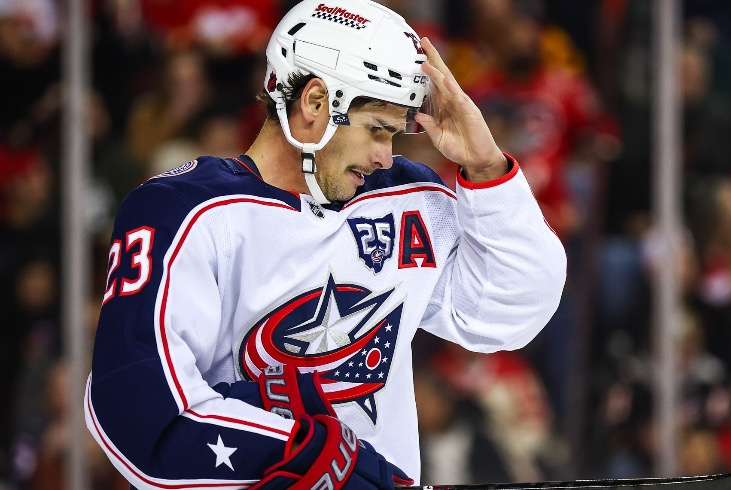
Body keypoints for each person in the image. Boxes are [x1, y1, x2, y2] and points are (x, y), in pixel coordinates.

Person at [83, 1, 567, 489]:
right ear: (315, 102)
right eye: (377, 130)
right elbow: (140, 414)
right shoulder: (181, 211)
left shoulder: (402, 198)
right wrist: (331, 467)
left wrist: (487, 170)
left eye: (395, 134)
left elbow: (511, 313)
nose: (385, 156)